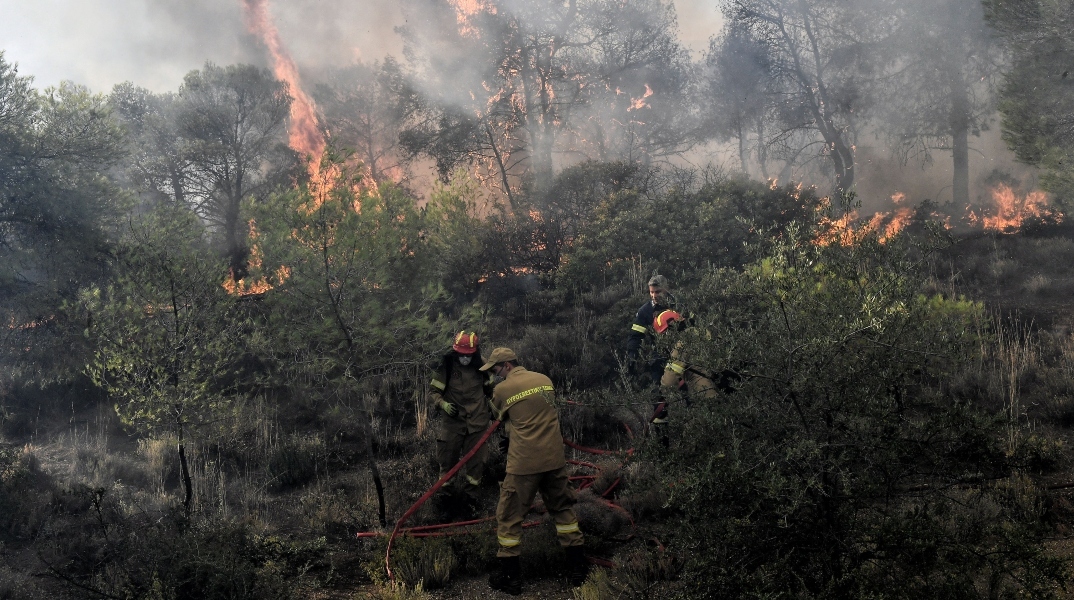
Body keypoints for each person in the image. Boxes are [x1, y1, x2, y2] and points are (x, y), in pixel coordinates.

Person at [480, 347, 587, 594]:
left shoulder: (503, 389)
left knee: (509, 517)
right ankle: (578, 570)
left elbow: (495, 415)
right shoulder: (544, 379)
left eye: (496, 370)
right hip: (554, 459)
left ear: (507, 365)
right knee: (563, 510)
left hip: (524, 464)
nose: (495, 374)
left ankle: (510, 577)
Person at [428, 331, 493, 516]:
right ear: (455, 352)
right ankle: (445, 503)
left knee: (476, 464)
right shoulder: (447, 366)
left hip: (477, 423)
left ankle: (471, 502)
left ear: (475, 353)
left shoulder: (483, 366)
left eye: (468, 355)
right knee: (447, 463)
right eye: (461, 355)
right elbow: (433, 393)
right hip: (453, 425)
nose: (465, 358)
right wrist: (443, 404)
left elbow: (492, 392)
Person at [655, 310, 719, 403]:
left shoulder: (681, 345)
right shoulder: (702, 331)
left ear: (670, 329)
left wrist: (661, 396)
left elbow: (670, 381)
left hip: (706, 396)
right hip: (728, 389)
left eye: (664, 334)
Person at [626, 274, 677, 386]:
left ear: (665, 289)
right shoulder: (645, 311)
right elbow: (636, 336)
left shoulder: (678, 304)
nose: (654, 296)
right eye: (651, 292)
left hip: (682, 352)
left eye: (657, 292)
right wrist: (632, 356)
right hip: (659, 356)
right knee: (658, 387)